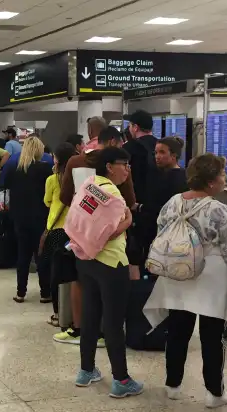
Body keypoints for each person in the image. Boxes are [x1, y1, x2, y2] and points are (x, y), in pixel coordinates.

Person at [143, 153, 227, 407]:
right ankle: (214, 393)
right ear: (211, 182)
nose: (224, 178)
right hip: (210, 276)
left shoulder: (172, 203)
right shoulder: (217, 209)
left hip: (176, 274)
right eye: (221, 174)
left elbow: (160, 232)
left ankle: (173, 384)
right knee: (211, 335)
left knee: (177, 331)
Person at [72, 146, 142, 398]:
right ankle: (121, 379)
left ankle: (86, 370)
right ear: (110, 166)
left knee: (90, 316)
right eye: (124, 164)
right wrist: (128, 221)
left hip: (85, 259)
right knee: (113, 322)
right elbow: (109, 232)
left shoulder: (89, 183)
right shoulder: (114, 194)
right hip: (111, 263)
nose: (127, 170)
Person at [55, 126, 136, 345]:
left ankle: (79, 329)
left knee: (80, 283)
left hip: (80, 237)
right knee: (110, 302)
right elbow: (129, 200)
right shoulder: (117, 169)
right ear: (112, 143)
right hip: (110, 247)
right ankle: (107, 340)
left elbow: (65, 197)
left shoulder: (74, 162)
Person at [9, 136, 52, 303]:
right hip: (40, 217)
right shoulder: (45, 169)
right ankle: (45, 292)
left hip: (20, 218)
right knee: (41, 255)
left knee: (23, 256)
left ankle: (20, 292)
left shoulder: (16, 170)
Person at [132, 135, 188, 260]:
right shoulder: (164, 175)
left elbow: (161, 206)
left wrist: (140, 208)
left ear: (174, 155)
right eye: (156, 152)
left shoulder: (174, 178)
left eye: (162, 152)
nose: (157, 156)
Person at [43, 142, 77, 325]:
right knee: (73, 274)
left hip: (57, 230)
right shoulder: (80, 179)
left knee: (56, 273)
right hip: (76, 231)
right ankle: (75, 314)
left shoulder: (53, 179)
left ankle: (58, 314)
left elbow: (47, 201)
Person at [123, 109, 159, 206]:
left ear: (135, 127)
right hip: (157, 201)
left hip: (136, 202)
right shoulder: (161, 145)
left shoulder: (128, 148)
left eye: (130, 126)